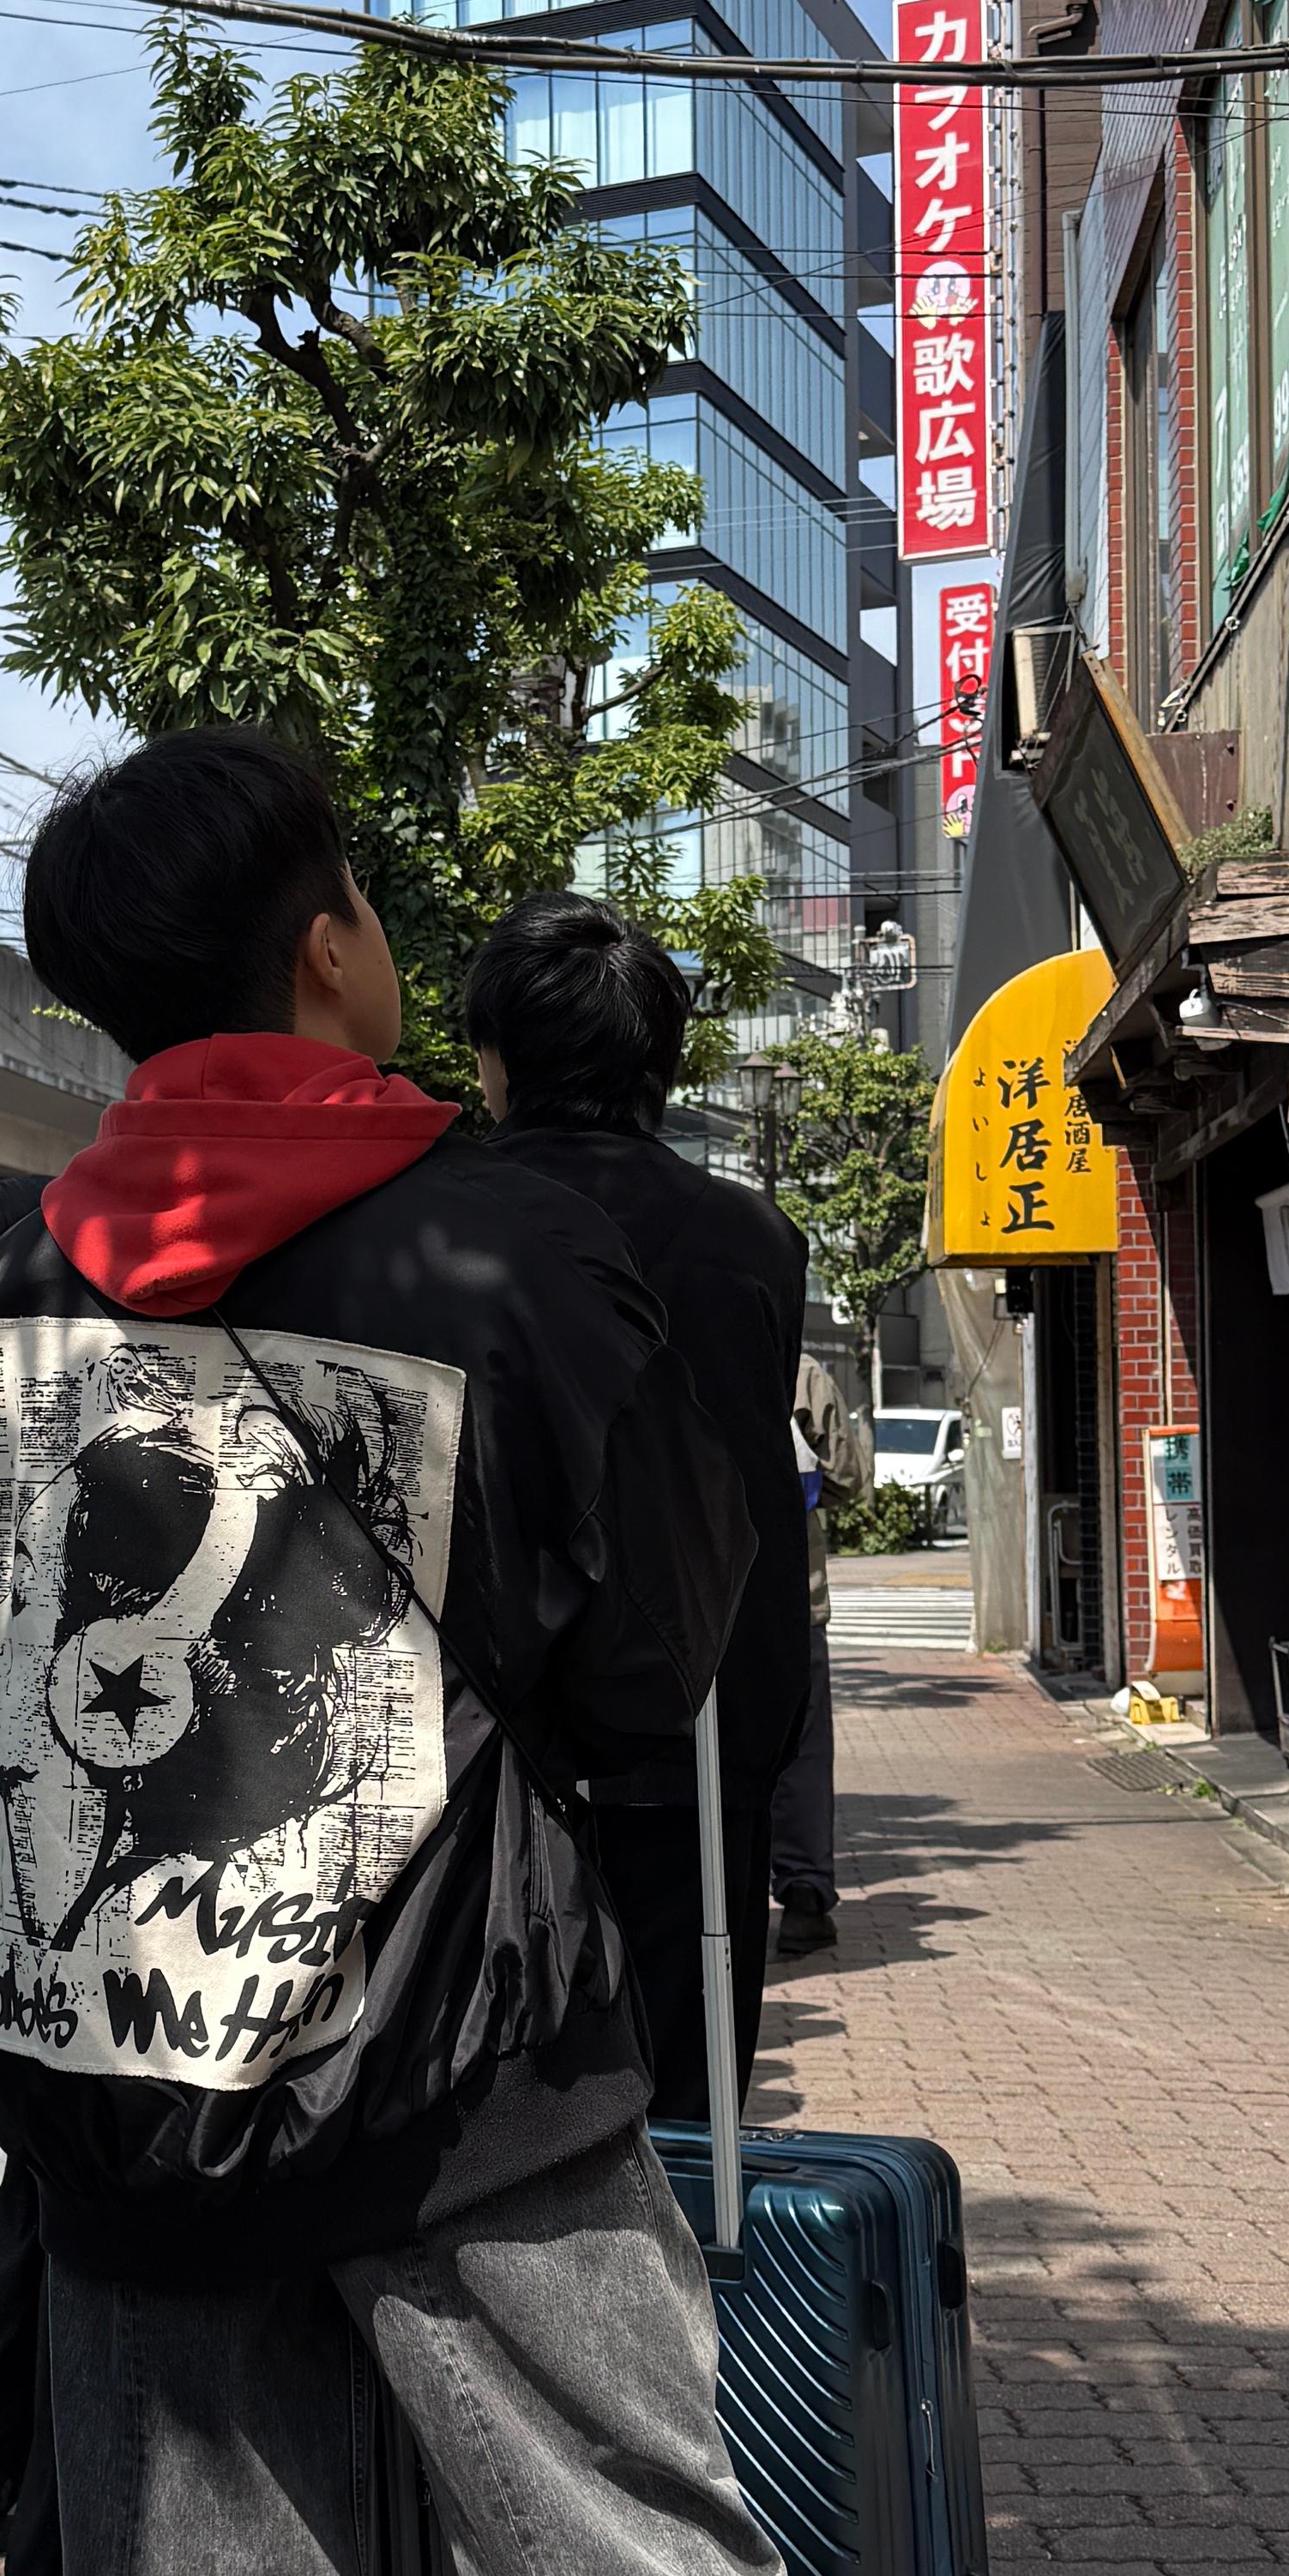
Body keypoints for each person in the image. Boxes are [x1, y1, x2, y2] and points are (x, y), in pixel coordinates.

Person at [0, 727, 1047, 2576]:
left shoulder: (6, 1292)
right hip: (455, 2058)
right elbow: (644, 1669)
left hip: (125, 2078)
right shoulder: (487, 1243)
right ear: (325, 943)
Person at [464, 893, 808, 2129]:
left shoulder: (435, 1223)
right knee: (688, 2094)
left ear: (495, 1061)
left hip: (488, 1737)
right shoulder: (750, 1238)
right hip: (700, 1716)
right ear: (664, 1063)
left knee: (492, 2104)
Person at [772, 1345, 867, 1967]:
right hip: (791, 1598)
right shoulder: (801, 1371)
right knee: (801, 1753)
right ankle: (804, 1895)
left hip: (693, 1606)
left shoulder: (665, 1340)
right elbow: (847, 1478)